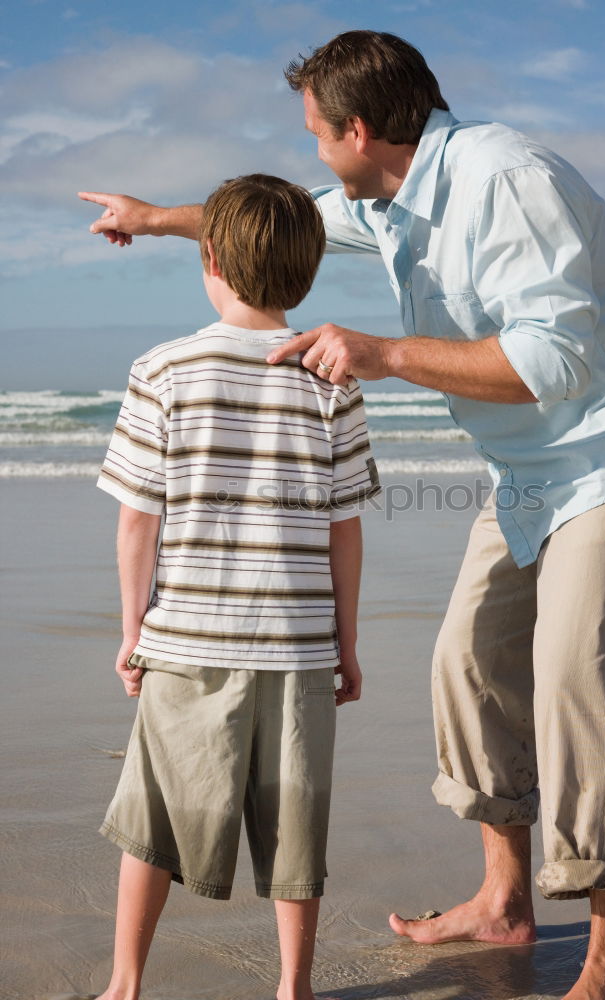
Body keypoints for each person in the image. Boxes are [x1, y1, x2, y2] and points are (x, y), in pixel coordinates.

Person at [79, 29, 605, 1000]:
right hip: (531, 465)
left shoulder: (507, 183)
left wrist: (382, 354)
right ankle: (505, 899)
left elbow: (558, 362)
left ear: (360, 129)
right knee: (469, 665)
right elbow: (282, 219)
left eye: (315, 135)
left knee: (576, 682)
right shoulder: (394, 196)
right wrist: (155, 216)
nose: (312, 152)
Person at [92, 172, 381, 1000]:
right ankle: (294, 987)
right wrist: (347, 643)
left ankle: (125, 984)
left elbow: (138, 520)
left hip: (187, 637)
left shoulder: (165, 369)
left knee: (151, 816)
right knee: (296, 822)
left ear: (209, 256)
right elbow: (343, 527)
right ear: (308, 271)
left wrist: (131, 628)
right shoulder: (332, 381)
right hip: (296, 648)